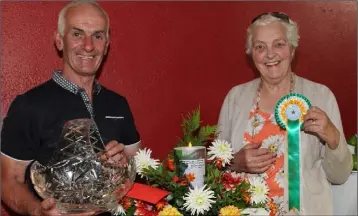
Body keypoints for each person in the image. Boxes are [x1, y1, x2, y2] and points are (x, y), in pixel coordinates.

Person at [1, 0, 141, 215]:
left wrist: (122, 165)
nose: (88, 45)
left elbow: (138, 166)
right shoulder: (29, 105)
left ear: (106, 44)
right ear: (59, 40)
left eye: (97, 35)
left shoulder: (118, 104)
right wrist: (38, 211)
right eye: (77, 34)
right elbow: (8, 182)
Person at [217, 12, 352, 215]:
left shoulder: (321, 95)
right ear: (251, 53)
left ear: (292, 48)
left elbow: (339, 176)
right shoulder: (235, 97)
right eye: (260, 47)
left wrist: (333, 138)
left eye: (278, 44)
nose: (270, 54)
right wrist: (234, 162)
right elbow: (216, 165)